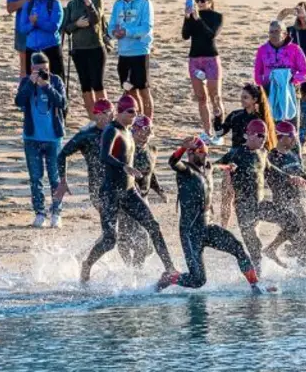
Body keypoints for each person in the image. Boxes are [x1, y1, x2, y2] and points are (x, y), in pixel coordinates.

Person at [78, 95, 176, 283]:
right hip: (110, 193)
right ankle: (87, 264)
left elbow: (149, 169)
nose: (135, 115)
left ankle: (170, 268)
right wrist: (124, 167)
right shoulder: (111, 130)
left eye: (137, 111)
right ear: (121, 112)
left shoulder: (129, 132)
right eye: (131, 111)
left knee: (153, 226)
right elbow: (103, 155)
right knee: (109, 240)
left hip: (130, 191)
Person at [155, 136, 266, 293]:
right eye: (201, 152)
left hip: (208, 227)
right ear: (190, 154)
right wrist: (182, 148)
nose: (205, 155)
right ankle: (170, 278)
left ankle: (255, 285)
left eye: (207, 152)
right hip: (190, 233)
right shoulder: (185, 170)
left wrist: (227, 167)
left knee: (238, 248)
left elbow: (215, 166)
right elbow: (172, 162)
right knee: (198, 280)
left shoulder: (207, 168)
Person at [260, 120, 306, 267]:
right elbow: (272, 179)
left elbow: (302, 175)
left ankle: (297, 262)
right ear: (281, 137)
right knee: (297, 235)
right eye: (291, 136)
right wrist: (289, 180)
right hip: (283, 202)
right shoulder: (272, 157)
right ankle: (289, 258)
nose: (294, 140)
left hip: (295, 201)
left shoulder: (293, 155)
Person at [16, 52, 66, 228]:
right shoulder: (26, 82)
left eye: (46, 69)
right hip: (32, 137)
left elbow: (62, 103)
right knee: (35, 178)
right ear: (32, 69)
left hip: (53, 137)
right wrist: (31, 82)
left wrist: (46, 86)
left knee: (55, 177)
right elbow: (19, 101)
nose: (43, 73)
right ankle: (39, 213)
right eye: (39, 70)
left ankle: (56, 212)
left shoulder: (56, 81)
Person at [217, 119, 270, 273]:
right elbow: (214, 165)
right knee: (251, 240)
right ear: (249, 135)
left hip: (259, 204)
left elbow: (272, 170)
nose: (263, 139)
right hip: (243, 206)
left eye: (265, 136)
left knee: (291, 221)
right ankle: (256, 274)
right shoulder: (236, 153)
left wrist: (289, 177)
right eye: (260, 135)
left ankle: (260, 270)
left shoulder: (263, 152)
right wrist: (226, 167)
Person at [115, 114, 166, 265]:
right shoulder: (126, 149)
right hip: (126, 198)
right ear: (134, 131)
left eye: (148, 133)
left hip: (144, 199)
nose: (145, 137)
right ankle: (132, 269)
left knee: (148, 245)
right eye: (142, 133)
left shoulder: (152, 150)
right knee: (125, 238)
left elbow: (150, 173)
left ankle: (135, 270)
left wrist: (160, 191)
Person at [54, 99, 113, 222]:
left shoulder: (119, 131)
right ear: (97, 114)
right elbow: (62, 155)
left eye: (113, 113)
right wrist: (63, 181)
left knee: (119, 221)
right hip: (97, 186)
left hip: (118, 183)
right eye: (109, 113)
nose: (112, 116)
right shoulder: (86, 135)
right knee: (108, 220)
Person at [62, 0, 108, 116]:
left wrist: (88, 3)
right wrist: (77, 24)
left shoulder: (96, 0)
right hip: (78, 49)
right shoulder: (72, 4)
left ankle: (106, 116)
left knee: (98, 84)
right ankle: (94, 118)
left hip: (95, 47)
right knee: (85, 86)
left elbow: (95, 19)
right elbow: (66, 28)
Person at [182, 0, 224, 144]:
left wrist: (198, 19)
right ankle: (207, 132)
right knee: (201, 98)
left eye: (203, 0)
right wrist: (187, 17)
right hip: (194, 59)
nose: (200, 2)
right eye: (197, 0)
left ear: (210, 1)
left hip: (211, 58)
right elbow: (185, 35)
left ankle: (219, 133)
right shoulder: (192, 16)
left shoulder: (217, 17)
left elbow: (211, 34)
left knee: (215, 97)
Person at [108, 0, 154, 116]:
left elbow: (147, 27)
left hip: (139, 52)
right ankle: (137, 120)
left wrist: (127, 32)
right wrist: (114, 33)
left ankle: (148, 122)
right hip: (123, 53)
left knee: (144, 90)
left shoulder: (145, 3)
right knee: (129, 89)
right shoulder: (118, 4)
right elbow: (111, 27)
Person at [252, 20, 306, 126]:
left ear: (284, 34)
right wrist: (270, 80)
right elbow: (257, 76)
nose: (273, 34)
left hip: (290, 92)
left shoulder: (295, 49)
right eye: (271, 32)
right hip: (269, 92)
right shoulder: (262, 50)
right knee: (269, 128)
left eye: (277, 31)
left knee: (291, 130)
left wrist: (292, 79)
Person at [22, 0, 65, 78]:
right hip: (31, 48)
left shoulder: (54, 3)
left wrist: (37, 22)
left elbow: (54, 27)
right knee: (32, 82)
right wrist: (32, 24)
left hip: (51, 47)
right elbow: (22, 28)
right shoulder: (29, 4)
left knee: (55, 82)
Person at [6, 0, 39, 78]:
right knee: (24, 64)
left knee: (40, 62)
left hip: (40, 27)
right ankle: (24, 91)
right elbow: (9, 8)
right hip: (23, 27)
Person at [278, 1, 306, 70]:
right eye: (299, 11)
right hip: (296, 68)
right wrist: (287, 11)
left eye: (305, 11)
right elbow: (276, 26)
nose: (301, 13)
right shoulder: (291, 30)